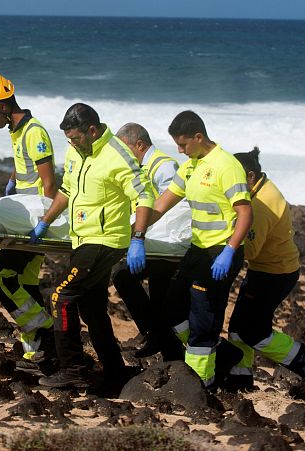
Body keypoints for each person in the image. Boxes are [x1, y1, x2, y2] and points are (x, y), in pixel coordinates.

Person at [28, 103, 155, 390]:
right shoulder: (76, 151)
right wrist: (45, 221)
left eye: (76, 138)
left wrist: (138, 238)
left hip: (105, 240)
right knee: (91, 306)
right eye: (69, 139)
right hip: (82, 239)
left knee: (61, 296)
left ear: (93, 130)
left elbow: (145, 195)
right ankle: (114, 370)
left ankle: (72, 368)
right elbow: (67, 190)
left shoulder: (117, 155)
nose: (72, 143)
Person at [149, 110, 253, 390]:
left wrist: (230, 250)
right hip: (198, 249)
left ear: (198, 137)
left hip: (221, 251)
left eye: (183, 145)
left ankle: (199, 384)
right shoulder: (191, 165)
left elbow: (245, 213)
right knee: (171, 309)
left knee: (202, 318)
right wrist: (135, 230)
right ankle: (225, 354)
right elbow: (163, 203)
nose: (179, 151)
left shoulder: (227, 165)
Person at [0, 73, 57, 367]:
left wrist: (45, 222)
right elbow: (25, 167)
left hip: (34, 220)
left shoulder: (34, 132)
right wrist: (12, 180)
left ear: (4, 106)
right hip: (22, 212)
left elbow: (49, 183)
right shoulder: (18, 131)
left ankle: (44, 330)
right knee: (24, 281)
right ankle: (38, 350)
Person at [226, 148, 305, 392]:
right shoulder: (260, 189)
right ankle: (241, 380)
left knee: (253, 332)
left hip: (273, 274)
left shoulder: (260, 204)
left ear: (250, 176)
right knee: (239, 328)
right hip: (272, 270)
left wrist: (225, 245)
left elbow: (250, 251)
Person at [110, 123, 185, 361]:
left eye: (125, 149)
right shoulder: (139, 166)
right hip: (150, 241)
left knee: (128, 278)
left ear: (139, 145)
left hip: (166, 245)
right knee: (149, 293)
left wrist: (139, 238)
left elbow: (173, 211)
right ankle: (159, 339)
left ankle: (162, 341)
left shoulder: (164, 166)